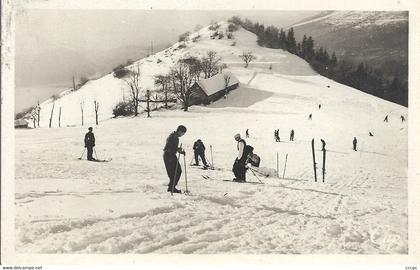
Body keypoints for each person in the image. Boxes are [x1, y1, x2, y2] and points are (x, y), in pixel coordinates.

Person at [163, 125, 187, 193]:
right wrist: (177, 149)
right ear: (179, 131)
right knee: (175, 172)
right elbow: (167, 147)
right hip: (168, 156)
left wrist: (180, 151)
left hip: (171, 155)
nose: (183, 135)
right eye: (183, 133)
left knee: (177, 171)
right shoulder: (172, 137)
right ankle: (171, 188)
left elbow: (173, 147)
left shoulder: (175, 137)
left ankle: (172, 187)